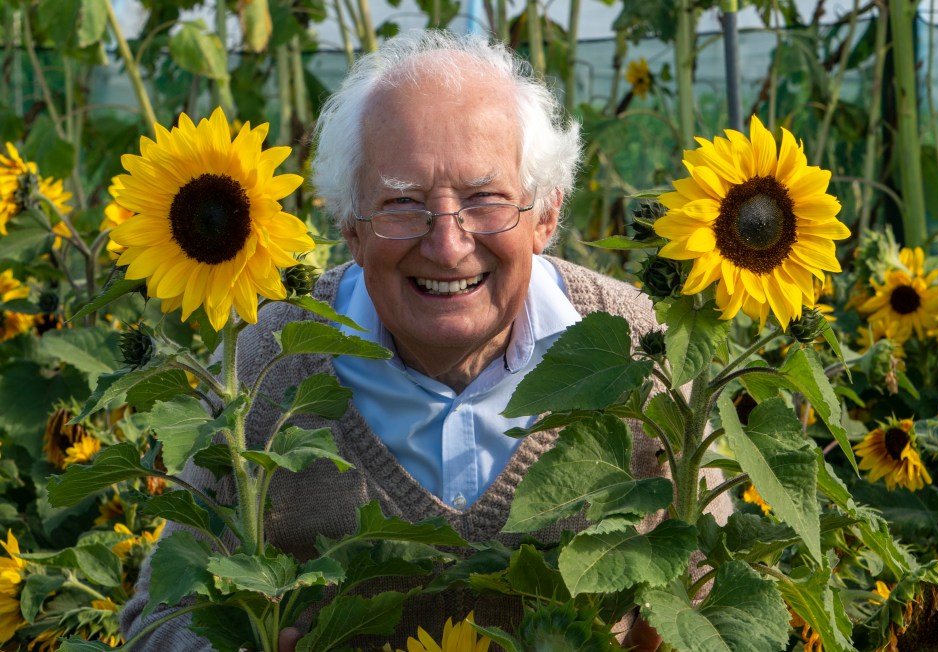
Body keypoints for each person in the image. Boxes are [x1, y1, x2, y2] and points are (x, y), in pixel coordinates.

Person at [120, 30, 729, 651]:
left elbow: (717, 594)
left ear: (545, 215)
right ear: (350, 229)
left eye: (485, 200)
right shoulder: (270, 363)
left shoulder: (639, 351)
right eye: (402, 204)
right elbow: (160, 618)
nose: (447, 244)